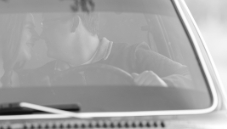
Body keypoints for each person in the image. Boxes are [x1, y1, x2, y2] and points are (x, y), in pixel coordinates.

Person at [35, 12, 192, 88]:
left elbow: (191, 77)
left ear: (74, 23)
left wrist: (164, 85)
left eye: (47, 24)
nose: (42, 34)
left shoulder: (133, 57)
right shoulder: (43, 78)